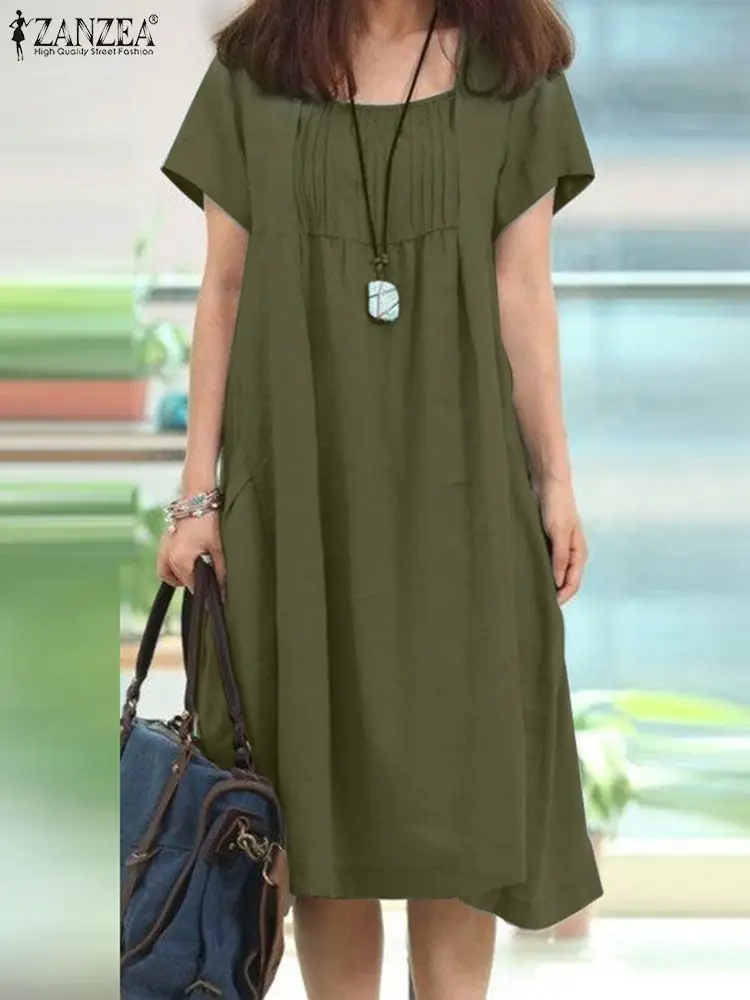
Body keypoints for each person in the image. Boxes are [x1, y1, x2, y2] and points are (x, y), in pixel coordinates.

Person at [157, 0, 602, 997]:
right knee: (319, 813)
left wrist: (556, 480)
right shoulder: (256, 68)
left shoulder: (516, 71)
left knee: (460, 804)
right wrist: (196, 496)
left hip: (466, 493)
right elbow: (224, 289)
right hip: (298, 490)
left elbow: (523, 289)